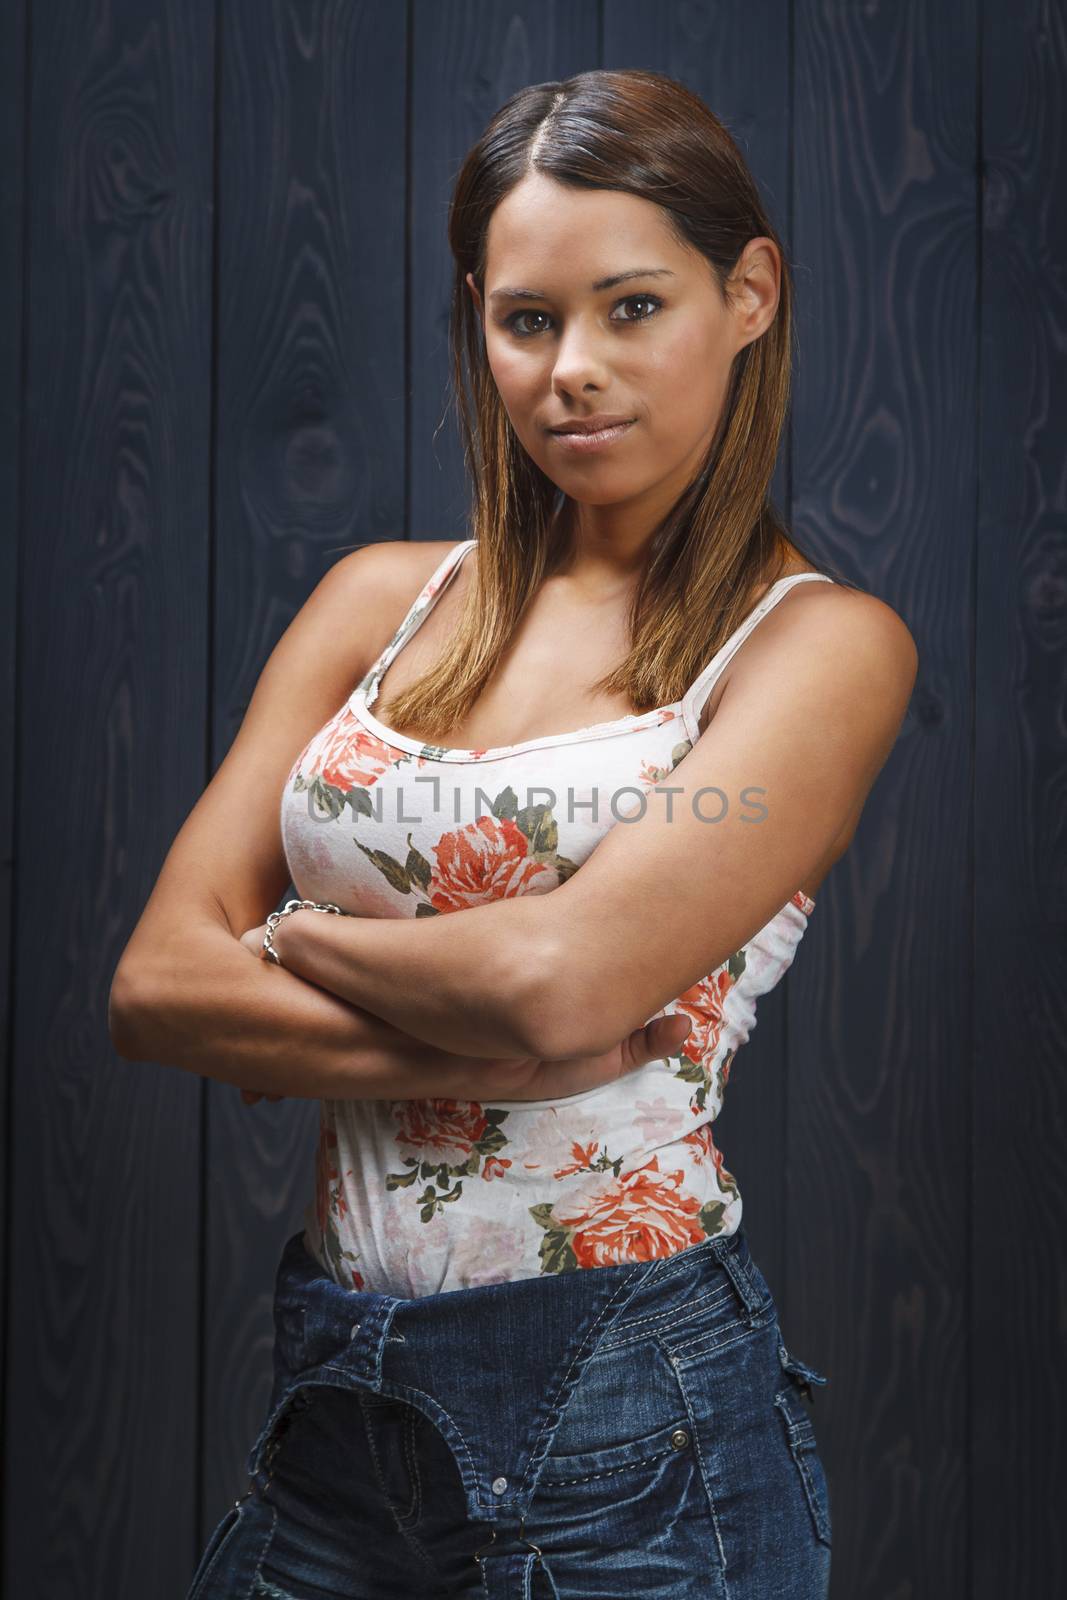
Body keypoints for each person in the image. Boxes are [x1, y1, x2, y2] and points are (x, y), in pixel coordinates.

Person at [111, 67, 916, 1600]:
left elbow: (560, 985)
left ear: (749, 295)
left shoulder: (816, 649)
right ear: (480, 321)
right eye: (527, 320)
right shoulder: (376, 600)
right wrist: (479, 1047)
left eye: (633, 309)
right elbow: (155, 985)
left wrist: (288, 949)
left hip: (631, 1413)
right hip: (335, 1395)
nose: (574, 373)